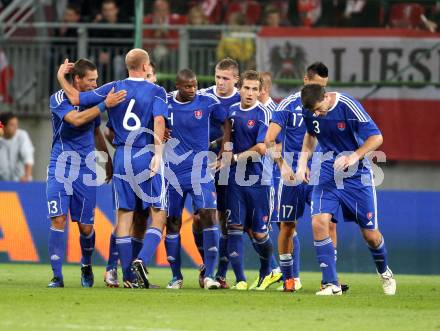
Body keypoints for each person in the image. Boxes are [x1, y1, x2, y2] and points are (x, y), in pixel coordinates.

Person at [57, 49, 168, 289]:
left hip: (121, 156)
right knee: (158, 214)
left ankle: (127, 277)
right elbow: (159, 122)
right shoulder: (157, 91)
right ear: (146, 66)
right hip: (145, 152)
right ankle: (141, 260)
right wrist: (158, 154)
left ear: (128, 65)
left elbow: (75, 99)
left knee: (124, 217)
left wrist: (61, 77)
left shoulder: (112, 88)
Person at [297, 83, 396, 295]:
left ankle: (384, 272)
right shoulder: (310, 110)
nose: (316, 113)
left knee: (370, 235)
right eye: (312, 111)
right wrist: (302, 163)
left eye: (318, 108)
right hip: (327, 172)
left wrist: (354, 156)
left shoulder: (348, 105)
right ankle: (331, 284)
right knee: (318, 221)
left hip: (357, 176)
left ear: (325, 96)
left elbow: (377, 137)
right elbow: (310, 136)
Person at [265, 62, 348, 292]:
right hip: (292, 177)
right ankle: (289, 278)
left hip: (322, 176)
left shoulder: (331, 107)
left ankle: (329, 279)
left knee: (328, 224)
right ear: (305, 80)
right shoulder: (288, 106)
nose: (319, 94)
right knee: (287, 226)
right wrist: (282, 165)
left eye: (323, 88)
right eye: (315, 86)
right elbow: (269, 140)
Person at [46, 58, 125, 288]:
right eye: (91, 80)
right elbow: (76, 119)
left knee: (86, 227)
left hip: (86, 168)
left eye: (97, 80)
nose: (95, 84)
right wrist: (104, 106)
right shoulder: (59, 99)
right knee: (58, 218)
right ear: (77, 79)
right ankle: (57, 276)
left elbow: (96, 131)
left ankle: (86, 264)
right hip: (60, 165)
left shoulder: (94, 98)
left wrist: (107, 159)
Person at [164, 69, 227, 290]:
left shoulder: (208, 102)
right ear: (178, 85)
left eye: (195, 85)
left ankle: (209, 275)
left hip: (200, 172)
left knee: (209, 217)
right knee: (172, 223)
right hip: (173, 174)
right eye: (187, 86)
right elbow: (154, 123)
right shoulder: (165, 102)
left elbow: (227, 122)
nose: (192, 90)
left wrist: (225, 150)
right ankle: (176, 277)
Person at [103, 60, 158, 288]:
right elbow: (108, 130)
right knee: (128, 215)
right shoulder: (147, 96)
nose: (149, 78)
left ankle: (129, 272)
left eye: (152, 76)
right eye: (148, 74)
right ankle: (112, 267)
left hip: (131, 158)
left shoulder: (154, 96)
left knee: (138, 217)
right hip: (143, 158)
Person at [220, 70, 273, 290]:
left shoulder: (262, 113)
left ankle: (267, 270)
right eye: (246, 88)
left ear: (260, 91)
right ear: (239, 89)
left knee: (259, 233)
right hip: (234, 178)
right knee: (234, 226)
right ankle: (240, 279)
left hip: (256, 179)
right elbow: (227, 139)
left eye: (254, 89)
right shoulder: (231, 111)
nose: (250, 93)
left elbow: (261, 148)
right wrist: (223, 156)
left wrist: (234, 158)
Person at [201, 58, 240, 289]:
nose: (220, 82)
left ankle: (220, 273)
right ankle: (206, 266)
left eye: (225, 78)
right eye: (217, 77)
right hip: (205, 164)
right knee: (201, 217)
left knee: (227, 220)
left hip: (233, 166)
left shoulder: (242, 98)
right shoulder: (204, 95)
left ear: (236, 79)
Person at [0, 112, 34, 182]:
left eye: (16, 124)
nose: (16, 127)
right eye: (12, 125)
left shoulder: (22, 136)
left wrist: (27, 176)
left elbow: (28, 157)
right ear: (3, 127)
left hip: (20, 183)